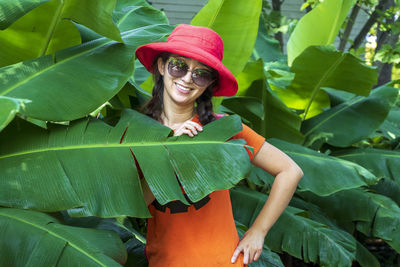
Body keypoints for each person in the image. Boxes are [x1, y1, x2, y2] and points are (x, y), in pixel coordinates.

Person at [135, 24, 303, 267]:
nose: (187, 79)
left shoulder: (222, 129)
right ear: (162, 66)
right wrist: (171, 151)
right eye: (179, 66)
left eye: (200, 74)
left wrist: (258, 231)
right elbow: (136, 204)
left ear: (209, 84)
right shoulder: (137, 132)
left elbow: (290, 171)